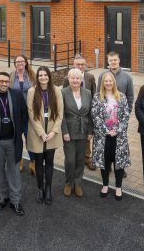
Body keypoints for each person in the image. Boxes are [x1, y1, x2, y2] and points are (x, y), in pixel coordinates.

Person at [0, 72, 27, 216]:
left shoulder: (17, 95)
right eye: (1, 81)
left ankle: (15, 201)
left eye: (7, 81)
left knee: (14, 171)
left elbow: (23, 114)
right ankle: (4, 197)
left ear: (9, 83)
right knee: (0, 171)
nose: (4, 84)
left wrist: (20, 131)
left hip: (13, 141)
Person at [26, 66, 63, 205]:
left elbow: (60, 114)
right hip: (37, 133)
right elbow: (32, 115)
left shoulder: (57, 91)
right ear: (37, 77)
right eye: (40, 75)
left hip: (52, 132)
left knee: (49, 162)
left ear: (49, 76)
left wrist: (53, 132)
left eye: (45, 75)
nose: (43, 78)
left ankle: (48, 189)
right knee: (39, 162)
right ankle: (40, 188)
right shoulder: (32, 91)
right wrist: (42, 134)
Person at [91, 72, 131, 200]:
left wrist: (117, 130)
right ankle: (105, 185)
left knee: (119, 162)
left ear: (114, 82)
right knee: (105, 161)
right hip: (103, 136)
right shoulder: (97, 97)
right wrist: (105, 130)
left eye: (110, 81)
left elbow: (126, 115)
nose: (108, 83)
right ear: (102, 83)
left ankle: (118, 187)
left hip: (118, 137)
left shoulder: (122, 97)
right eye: (105, 81)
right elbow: (95, 115)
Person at [97, 51, 134, 178]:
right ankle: (107, 165)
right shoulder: (102, 75)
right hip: (106, 117)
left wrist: (127, 113)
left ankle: (119, 167)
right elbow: (98, 94)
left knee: (120, 143)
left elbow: (130, 96)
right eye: (110, 60)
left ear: (119, 60)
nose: (113, 62)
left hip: (120, 118)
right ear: (108, 61)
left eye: (115, 60)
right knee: (107, 143)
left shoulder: (127, 77)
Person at [61, 68, 93, 198]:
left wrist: (90, 131)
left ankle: (78, 183)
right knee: (70, 160)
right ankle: (68, 182)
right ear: (68, 79)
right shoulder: (63, 92)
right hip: (69, 131)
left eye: (77, 78)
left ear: (81, 80)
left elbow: (91, 114)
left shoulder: (88, 93)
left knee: (80, 159)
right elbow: (60, 114)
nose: (75, 80)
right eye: (72, 78)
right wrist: (64, 131)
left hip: (84, 131)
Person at [62, 54, 96, 171]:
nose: (80, 66)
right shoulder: (68, 79)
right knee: (72, 156)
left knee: (86, 143)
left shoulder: (90, 77)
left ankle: (87, 159)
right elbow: (65, 95)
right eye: (78, 64)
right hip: (72, 118)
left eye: (82, 64)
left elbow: (93, 94)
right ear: (74, 65)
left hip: (85, 114)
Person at [9, 54, 36, 174]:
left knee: (29, 138)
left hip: (29, 113)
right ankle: (19, 161)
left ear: (26, 63)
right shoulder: (10, 76)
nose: (20, 63)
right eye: (17, 61)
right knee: (17, 139)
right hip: (14, 113)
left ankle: (32, 162)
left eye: (22, 61)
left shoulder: (32, 75)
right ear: (15, 64)